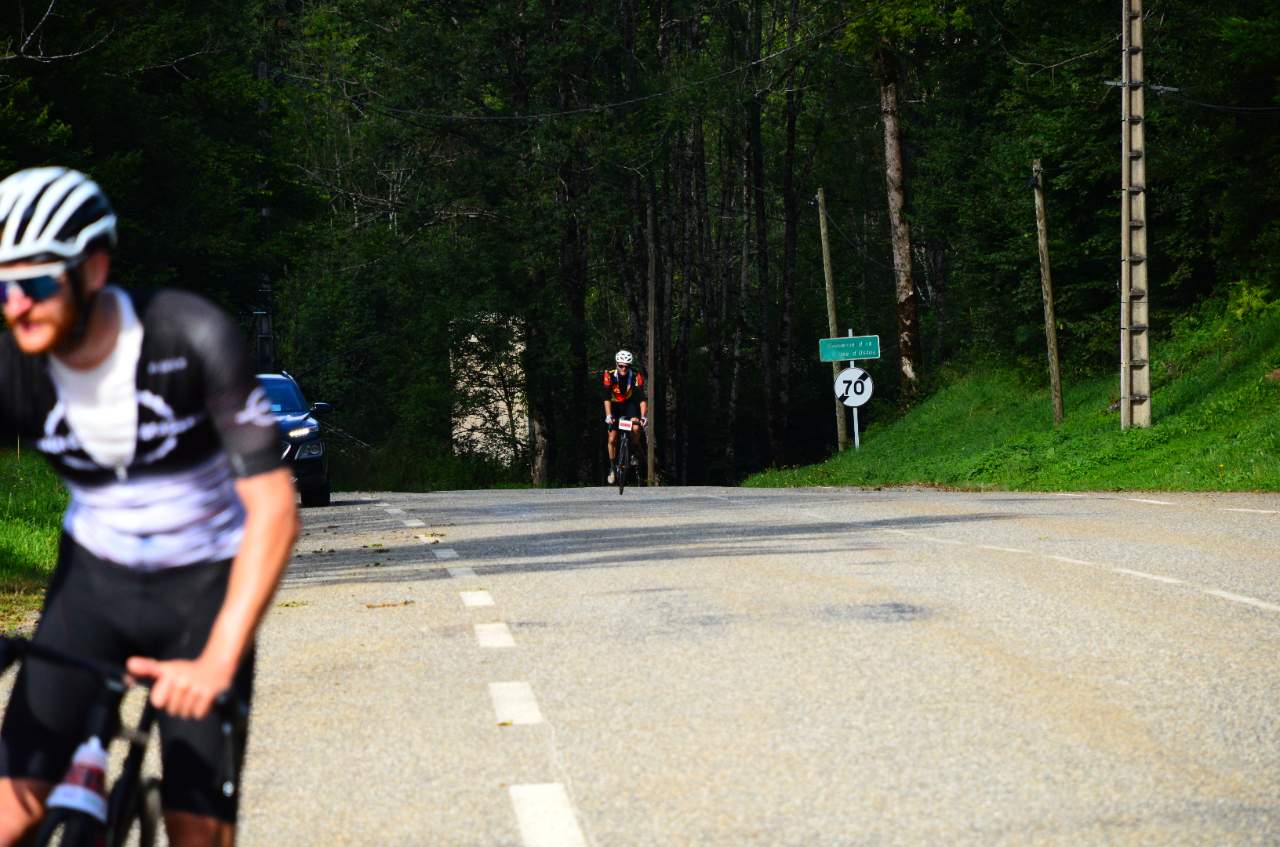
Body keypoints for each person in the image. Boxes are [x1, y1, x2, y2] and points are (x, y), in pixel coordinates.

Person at [0, 167, 298, 844]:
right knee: (9, 813)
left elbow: (275, 508)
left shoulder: (188, 337)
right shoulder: (15, 368)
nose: (16, 305)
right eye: (1, 287)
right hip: (92, 586)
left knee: (199, 833)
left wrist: (219, 659)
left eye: (36, 283)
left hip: (202, 592)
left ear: (94, 268)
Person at [602, 349, 647, 484]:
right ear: (616, 364)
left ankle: (633, 450)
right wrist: (608, 415)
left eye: (626, 366)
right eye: (621, 366)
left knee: (635, 427)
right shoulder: (609, 375)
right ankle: (612, 468)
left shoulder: (636, 376)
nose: (623, 369)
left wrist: (643, 417)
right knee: (612, 438)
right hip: (614, 406)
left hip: (629, 405)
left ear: (630, 366)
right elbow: (606, 398)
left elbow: (642, 399)